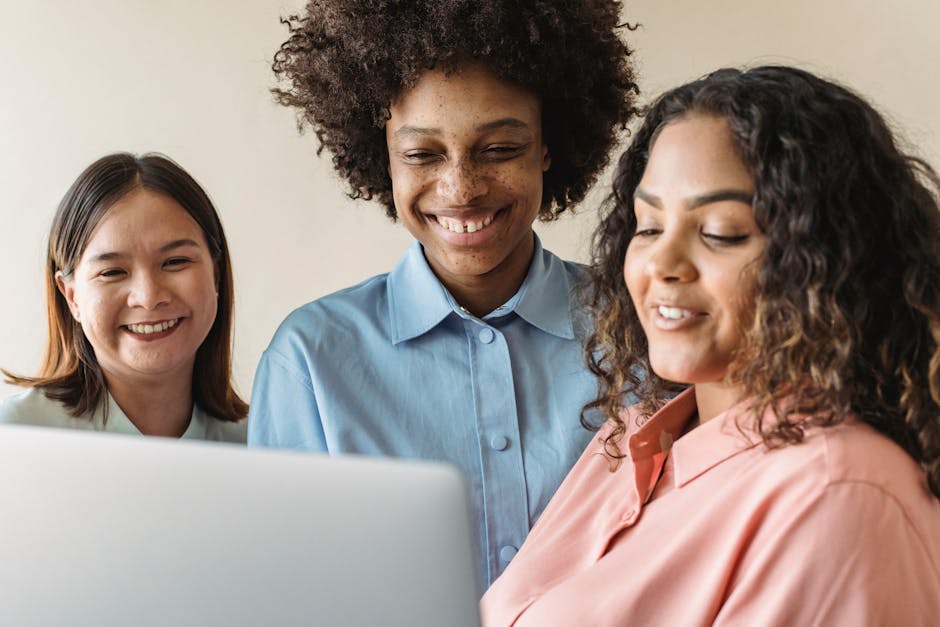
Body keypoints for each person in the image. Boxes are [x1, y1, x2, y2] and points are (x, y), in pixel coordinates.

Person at [481, 65, 940, 624]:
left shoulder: (837, 493)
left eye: (721, 232)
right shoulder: (630, 438)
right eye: (648, 227)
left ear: (830, 260)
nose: (662, 265)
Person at [248, 0, 638, 590]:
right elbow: (284, 590)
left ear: (547, 148)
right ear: (384, 159)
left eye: (501, 148)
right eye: (423, 154)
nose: (461, 188)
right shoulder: (310, 360)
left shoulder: (639, 329)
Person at [1, 153, 247, 443]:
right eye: (113, 272)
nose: (148, 297)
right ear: (71, 296)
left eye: (175, 262)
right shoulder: (17, 436)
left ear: (215, 274)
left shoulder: (261, 441)